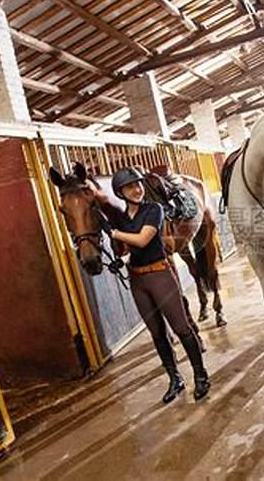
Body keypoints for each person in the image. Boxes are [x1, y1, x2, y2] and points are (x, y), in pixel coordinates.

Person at [107, 167, 211, 403]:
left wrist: (114, 234)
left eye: (139, 185)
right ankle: (175, 379)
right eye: (130, 187)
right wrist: (121, 260)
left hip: (160, 274)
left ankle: (201, 375)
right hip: (138, 279)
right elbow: (131, 250)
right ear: (120, 192)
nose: (137, 190)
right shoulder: (123, 219)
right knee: (157, 333)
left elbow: (143, 240)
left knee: (181, 327)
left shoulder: (153, 210)